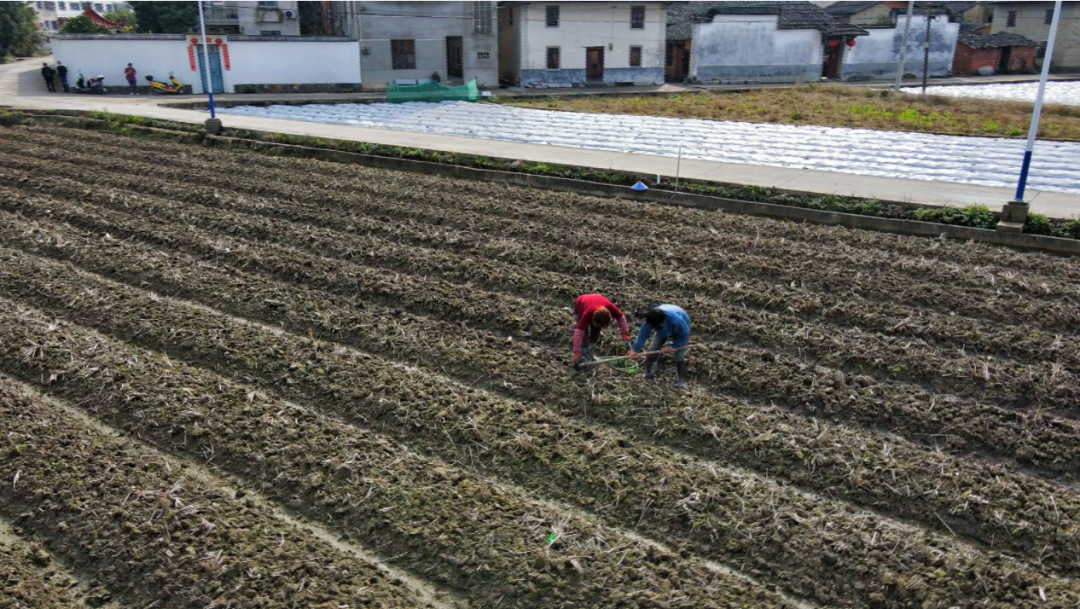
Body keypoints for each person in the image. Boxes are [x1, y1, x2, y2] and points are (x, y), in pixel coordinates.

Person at [629, 303, 691, 388]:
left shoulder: (676, 320)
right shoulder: (650, 319)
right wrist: (635, 349)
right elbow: (642, 335)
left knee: (679, 355)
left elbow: (684, 333)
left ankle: (681, 381)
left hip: (680, 330)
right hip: (662, 331)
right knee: (652, 350)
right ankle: (649, 374)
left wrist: (676, 346)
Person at [571, 293, 631, 370]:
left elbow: (620, 318)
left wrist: (624, 333)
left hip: (597, 303)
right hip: (581, 304)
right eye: (594, 323)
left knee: (595, 333)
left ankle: (590, 354)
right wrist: (576, 351)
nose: (595, 325)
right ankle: (583, 357)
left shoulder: (610, 308)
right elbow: (579, 332)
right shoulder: (587, 314)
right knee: (584, 336)